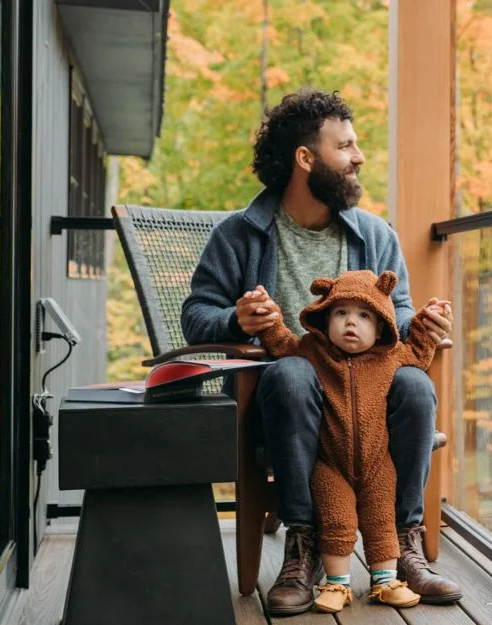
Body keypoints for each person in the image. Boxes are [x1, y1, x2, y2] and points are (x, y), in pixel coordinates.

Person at [181, 88, 462, 616]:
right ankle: (302, 545)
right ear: (306, 158)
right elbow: (196, 315)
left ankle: (403, 545)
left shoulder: (374, 234)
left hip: (371, 400)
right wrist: (234, 319)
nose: (359, 157)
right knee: (289, 373)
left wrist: (419, 322)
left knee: (417, 386)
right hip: (286, 405)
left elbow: (396, 313)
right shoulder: (239, 234)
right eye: (347, 146)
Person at [259, 270, 440, 613]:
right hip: (329, 463)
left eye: (364, 315)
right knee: (338, 521)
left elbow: (418, 351)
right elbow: (283, 343)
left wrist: (427, 324)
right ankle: (335, 583)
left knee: (381, 521)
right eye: (341, 313)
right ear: (325, 319)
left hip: (377, 463)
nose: (351, 323)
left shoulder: (391, 355)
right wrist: (269, 321)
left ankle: (388, 577)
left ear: (382, 325)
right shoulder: (313, 351)